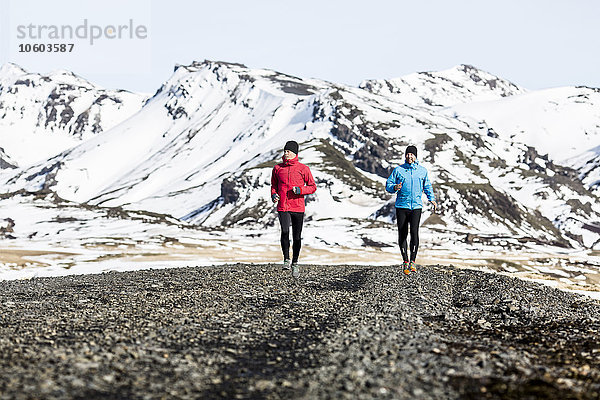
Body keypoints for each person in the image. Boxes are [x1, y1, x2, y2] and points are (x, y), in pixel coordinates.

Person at [385, 145, 437, 275]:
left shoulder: (422, 171)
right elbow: (388, 185)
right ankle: (405, 261)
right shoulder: (398, 170)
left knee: (414, 232)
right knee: (402, 233)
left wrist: (432, 199)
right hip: (402, 206)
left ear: (415, 156)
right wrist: (395, 187)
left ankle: (413, 261)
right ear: (405, 155)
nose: (409, 156)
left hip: (416, 207)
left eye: (412, 154)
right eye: (407, 154)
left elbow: (427, 186)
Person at [271, 140, 316, 278]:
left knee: (296, 237)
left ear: (295, 153)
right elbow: (274, 185)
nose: (286, 153)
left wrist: (300, 190)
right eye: (285, 151)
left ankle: (295, 263)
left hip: (297, 206)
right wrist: (273, 195)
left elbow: (312, 187)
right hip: (283, 206)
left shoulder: (303, 169)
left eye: (288, 151)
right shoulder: (278, 168)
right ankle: (286, 259)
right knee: (285, 231)